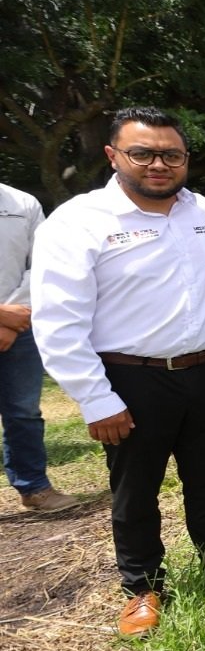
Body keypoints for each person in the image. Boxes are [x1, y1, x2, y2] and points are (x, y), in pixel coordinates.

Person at [31, 106, 205, 637]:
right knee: (135, 489)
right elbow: (58, 320)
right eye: (142, 153)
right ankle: (143, 586)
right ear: (113, 156)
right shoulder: (79, 223)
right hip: (131, 378)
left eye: (171, 155)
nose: (158, 165)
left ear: (185, 159)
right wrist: (94, 397)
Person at [0, 182, 85, 514]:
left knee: (24, 412)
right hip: (11, 320)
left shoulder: (22, 203)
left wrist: (12, 318)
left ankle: (33, 487)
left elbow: (42, 265)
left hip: (19, 326)